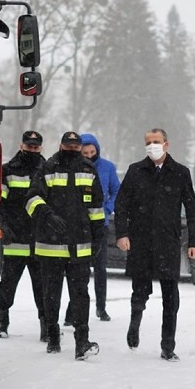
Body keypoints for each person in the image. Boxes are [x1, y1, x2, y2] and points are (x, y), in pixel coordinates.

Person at [114, 127, 195, 362]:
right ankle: (135, 323)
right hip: (140, 242)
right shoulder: (135, 171)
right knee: (139, 291)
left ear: (166, 144)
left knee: (170, 296)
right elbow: (121, 205)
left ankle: (168, 345)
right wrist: (122, 234)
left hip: (168, 243)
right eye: (148, 142)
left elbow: (191, 209)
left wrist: (194, 241)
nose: (152, 145)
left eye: (156, 141)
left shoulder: (180, 173)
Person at [26, 131, 105, 360]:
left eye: (75, 145)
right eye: (68, 145)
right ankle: (52, 335)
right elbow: (32, 198)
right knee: (51, 295)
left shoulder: (89, 170)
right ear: (61, 144)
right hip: (50, 245)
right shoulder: (48, 167)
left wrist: (98, 238)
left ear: (80, 147)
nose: (72, 148)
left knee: (80, 295)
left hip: (80, 245)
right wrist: (47, 216)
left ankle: (82, 341)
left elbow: (96, 208)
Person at [0, 131, 48, 340]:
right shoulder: (8, 170)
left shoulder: (47, 170)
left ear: (40, 148)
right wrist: (4, 226)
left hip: (40, 240)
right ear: (21, 145)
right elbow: (0, 203)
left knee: (42, 288)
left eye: (35, 147)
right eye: (29, 146)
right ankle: (2, 322)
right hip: (15, 237)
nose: (32, 150)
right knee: (8, 283)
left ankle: (45, 326)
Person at [62, 133, 120, 324]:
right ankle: (73, 312)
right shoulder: (73, 167)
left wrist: (107, 209)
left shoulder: (108, 168)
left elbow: (116, 192)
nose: (89, 155)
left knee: (100, 269)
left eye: (92, 152)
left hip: (99, 225)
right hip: (78, 226)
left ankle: (101, 307)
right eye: (85, 152)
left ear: (97, 150)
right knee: (79, 270)